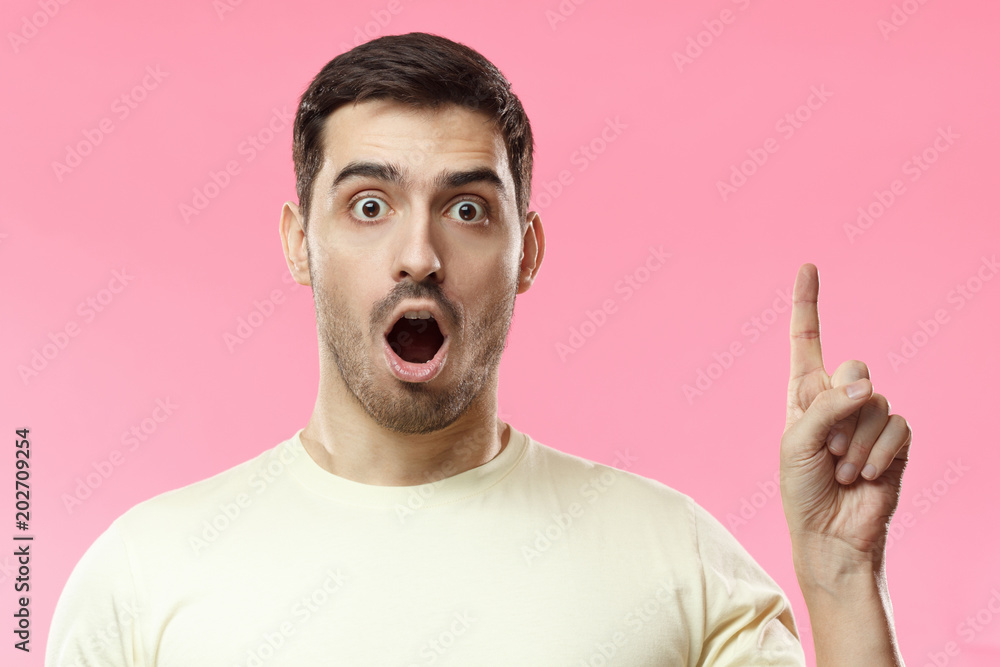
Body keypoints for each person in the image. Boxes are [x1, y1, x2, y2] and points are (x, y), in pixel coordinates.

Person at [46, 32, 910, 666]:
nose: (419, 254)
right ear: (298, 242)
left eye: (467, 209)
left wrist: (838, 576)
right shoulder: (142, 573)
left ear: (525, 253)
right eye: (369, 205)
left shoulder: (675, 558)